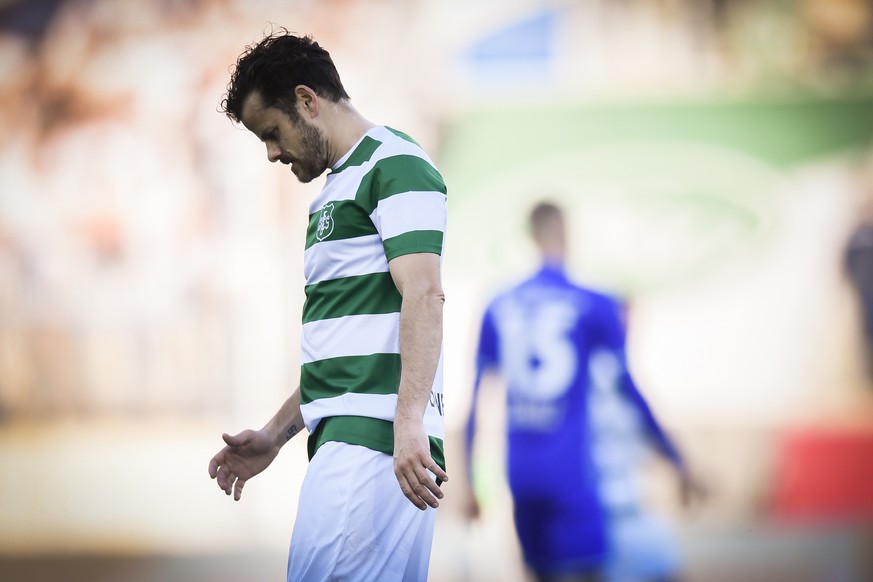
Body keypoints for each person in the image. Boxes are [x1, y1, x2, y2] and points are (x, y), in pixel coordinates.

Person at [207, 29, 449, 582]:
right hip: (360, 439)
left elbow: (425, 292)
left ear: (307, 101)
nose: (271, 153)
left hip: (376, 447)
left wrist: (406, 421)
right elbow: (345, 356)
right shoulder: (334, 192)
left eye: (272, 132)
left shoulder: (396, 165)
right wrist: (274, 433)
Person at [463, 201, 702, 582]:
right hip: (571, 476)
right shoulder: (593, 302)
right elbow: (629, 390)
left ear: (531, 236)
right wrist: (678, 461)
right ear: (566, 234)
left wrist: (469, 482)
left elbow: (476, 397)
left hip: (521, 475)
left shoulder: (499, 303)